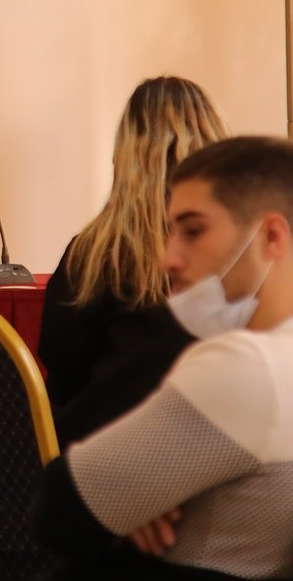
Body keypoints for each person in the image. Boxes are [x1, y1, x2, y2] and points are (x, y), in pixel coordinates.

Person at [0, 136, 293, 581]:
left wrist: (121, 504)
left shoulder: (245, 366)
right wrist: (129, 502)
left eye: (193, 231)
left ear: (272, 236)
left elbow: (55, 512)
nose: (168, 257)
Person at [39, 76, 226, 442]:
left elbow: (62, 372)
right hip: (220, 459)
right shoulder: (246, 254)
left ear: (125, 155)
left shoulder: (91, 257)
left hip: (105, 458)